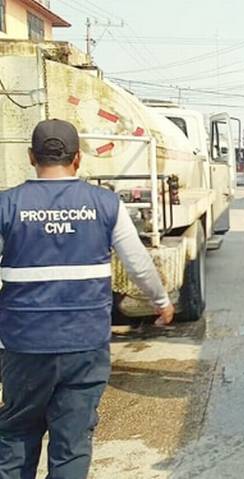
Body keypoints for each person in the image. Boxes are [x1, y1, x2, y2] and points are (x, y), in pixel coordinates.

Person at [0, 119, 175, 478]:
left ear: (31, 156)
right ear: (78, 159)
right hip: (85, 344)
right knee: (72, 443)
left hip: (22, 345)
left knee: (17, 434)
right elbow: (138, 263)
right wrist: (161, 300)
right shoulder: (105, 204)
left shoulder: (7, 205)